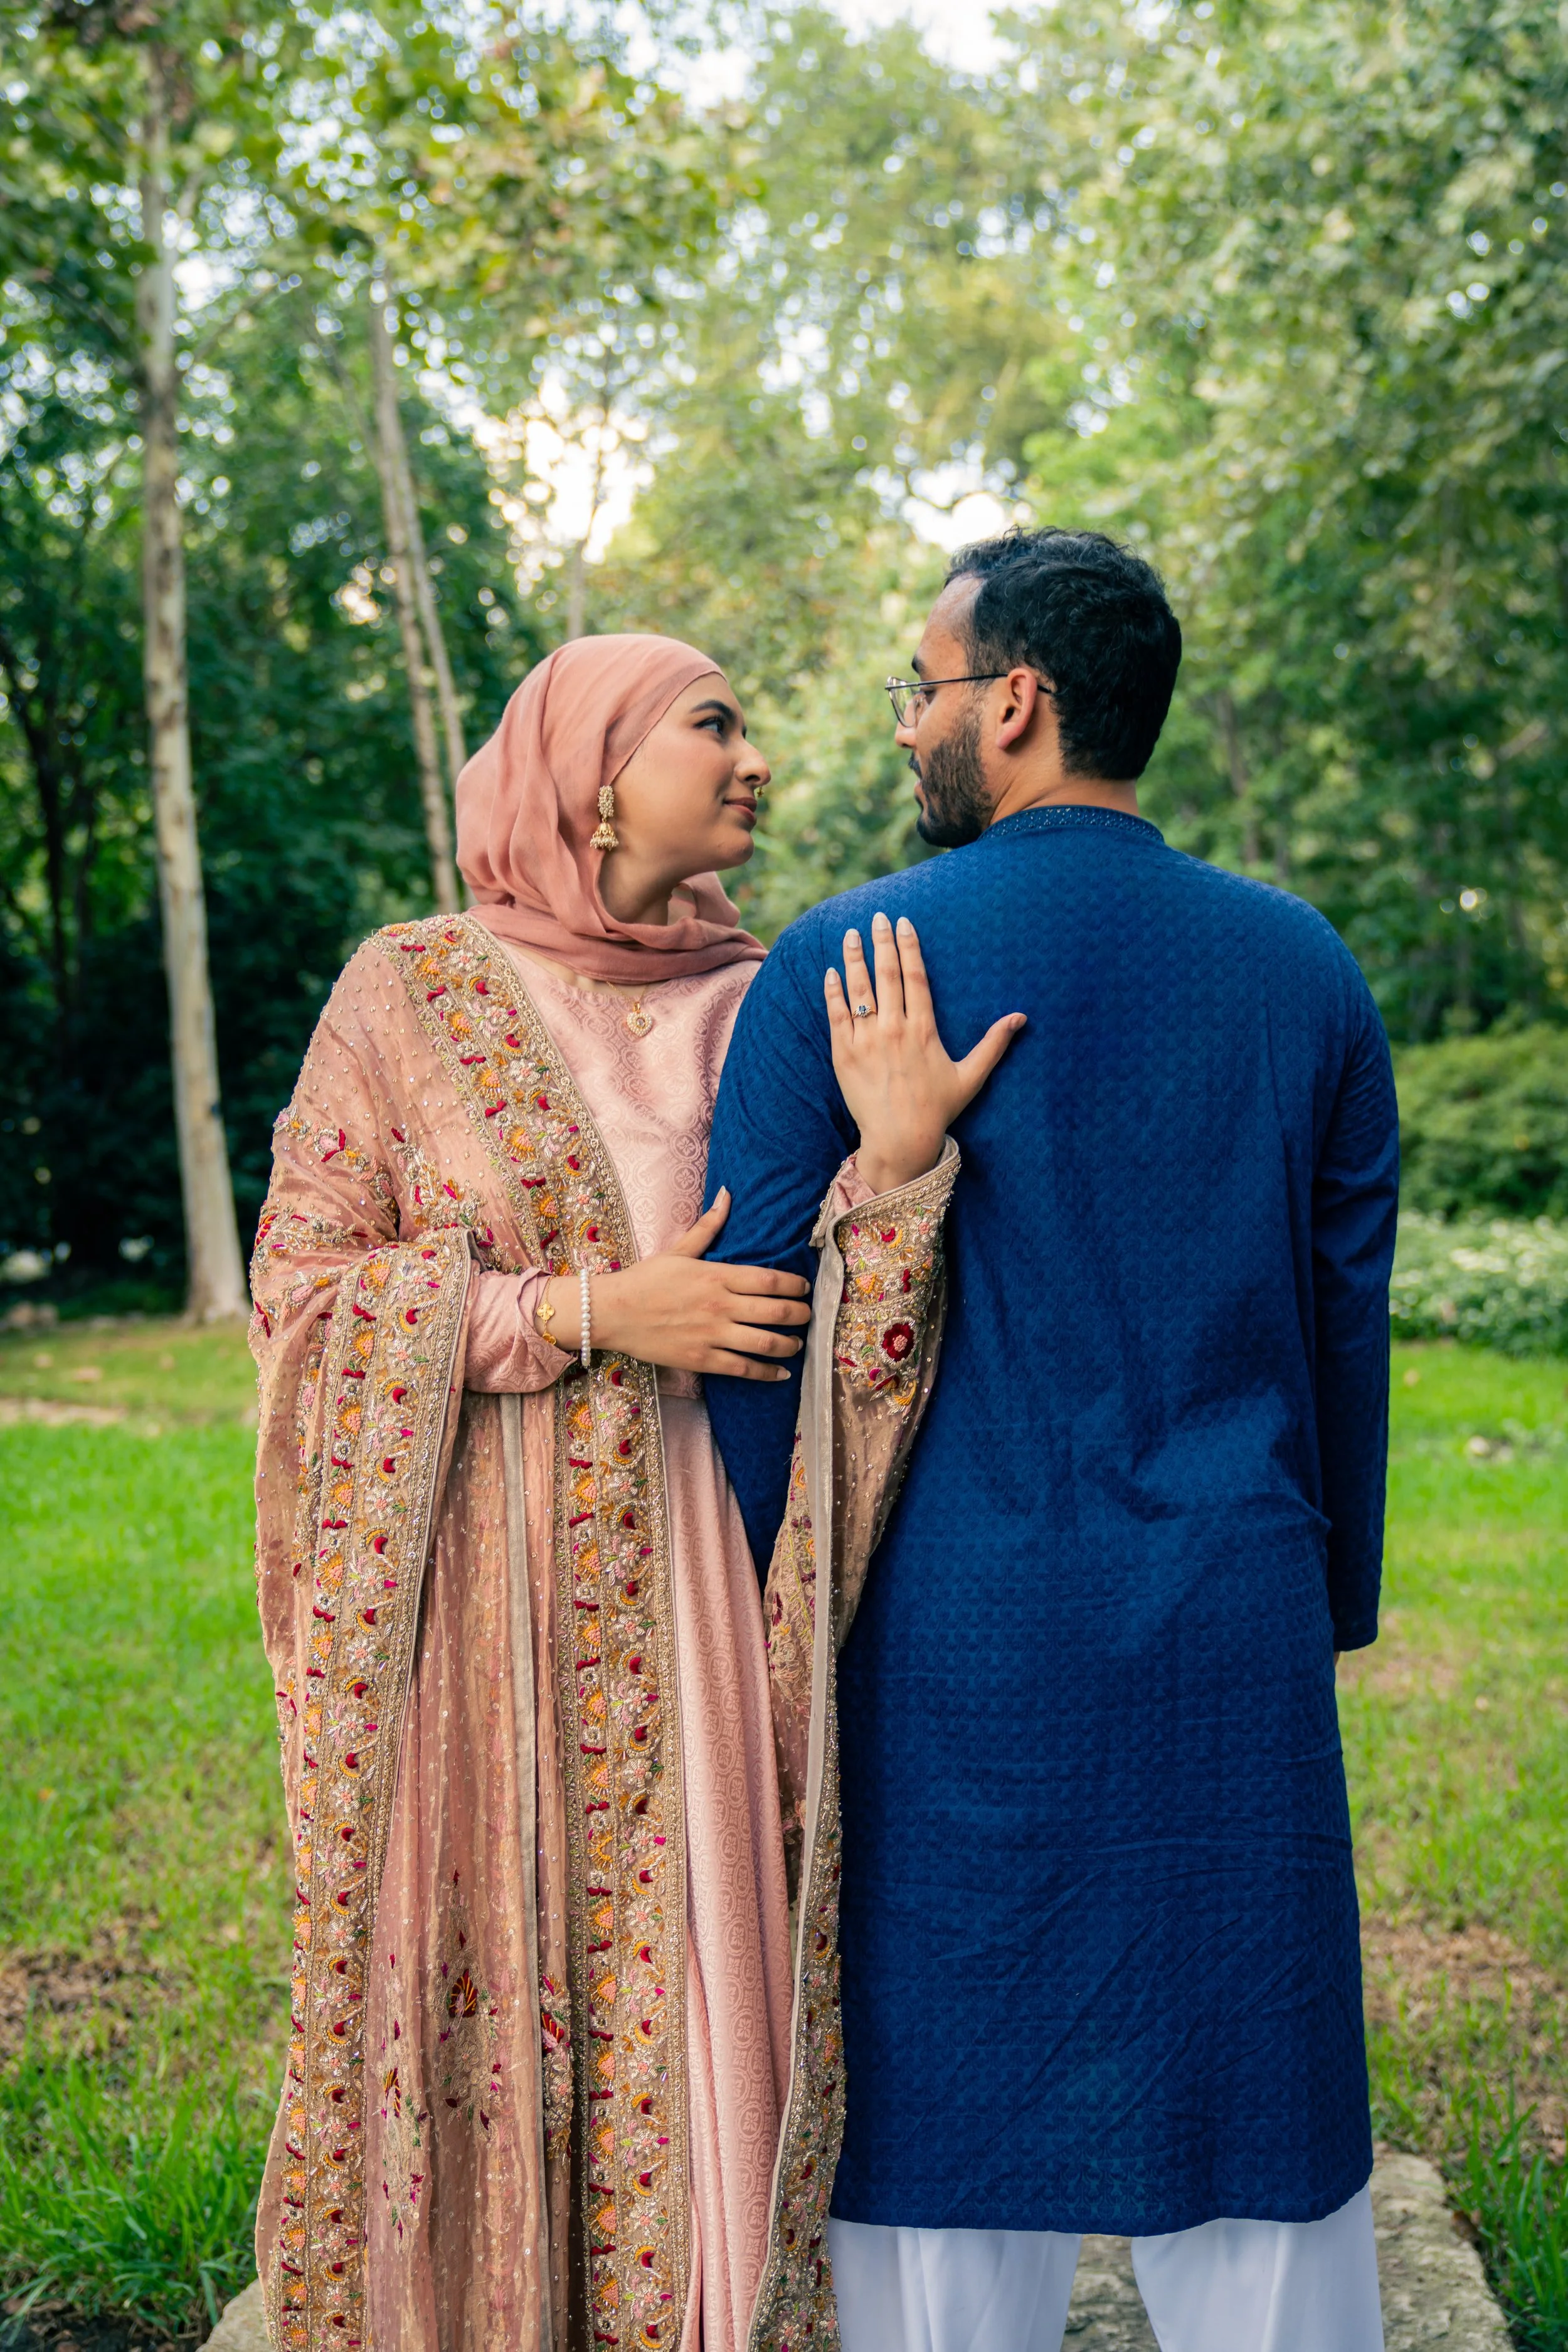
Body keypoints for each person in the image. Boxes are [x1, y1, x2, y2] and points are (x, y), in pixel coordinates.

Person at [246, 632, 1017, 2352]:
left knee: (703, 1988)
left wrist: (898, 1172)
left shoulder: (779, 1001)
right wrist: (591, 1310)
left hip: (701, 1574)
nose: (753, 757)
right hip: (472, 1605)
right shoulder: (410, 992)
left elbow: (848, 1297)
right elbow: (303, 1296)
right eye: (712, 722)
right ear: (595, 769)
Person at [702, 529, 1400, 2352]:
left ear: (1011, 701)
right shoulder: (1303, 968)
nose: (908, 725)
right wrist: (1322, 1591)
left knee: (940, 2133)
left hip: (946, 1640)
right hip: (1228, 1615)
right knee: (1254, 2110)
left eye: (920, 688)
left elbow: (755, 1340)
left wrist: (789, 1591)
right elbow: (1343, 1330)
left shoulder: (847, 963)